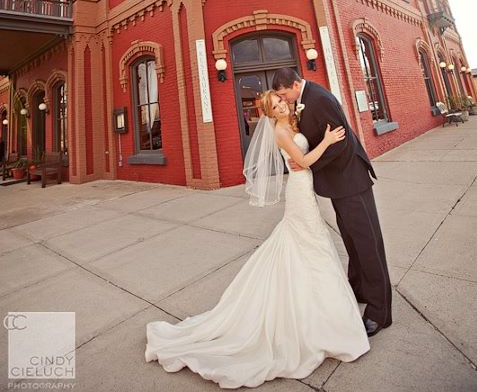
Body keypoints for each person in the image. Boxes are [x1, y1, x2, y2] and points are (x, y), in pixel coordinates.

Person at [145, 90, 369, 388]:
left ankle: (326, 314)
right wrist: (328, 142)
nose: (281, 107)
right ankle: (320, 321)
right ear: (269, 115)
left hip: (305, 192)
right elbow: (303, 161)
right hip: (300, 192)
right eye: (275, 107)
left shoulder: (293, 123)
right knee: (308, 245)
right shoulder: (280, 131)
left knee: (307, 246)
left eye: (281, 102)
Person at [272, 67, 392, 337]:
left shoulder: (320, 98)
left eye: (284, 94)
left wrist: (308, 166)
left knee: (368, 244)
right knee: (352, 240)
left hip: (351, 182)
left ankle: (379, 312)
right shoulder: (304, 99)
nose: (285, 100)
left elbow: (341, 143)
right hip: (339, 185)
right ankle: (359, 288)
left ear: (294, 84)